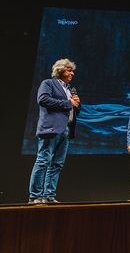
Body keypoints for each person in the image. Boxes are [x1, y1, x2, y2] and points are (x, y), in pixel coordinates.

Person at [28, 58, 81, 204]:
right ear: (60, 70)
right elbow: (43, 100)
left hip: (66, 130)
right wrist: (67, 103)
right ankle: (35, 196)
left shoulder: (69, 89)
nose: (72, 73)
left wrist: (76, 105)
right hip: (51, 129)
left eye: (72, 71)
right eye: (69, 70)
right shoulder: (48, 83)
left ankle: (49, 196)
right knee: (43, 161)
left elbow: (70, 110)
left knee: (57, 164)